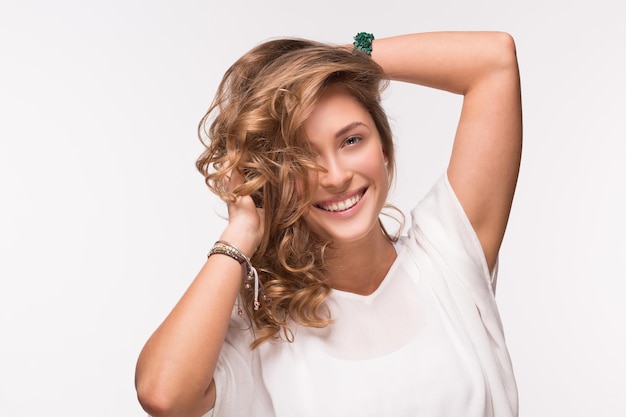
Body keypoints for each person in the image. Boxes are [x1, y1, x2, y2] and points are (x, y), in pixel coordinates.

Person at [135, 31, 522, 417]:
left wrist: (328, 62)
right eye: (302, 156)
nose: (335, 176)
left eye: (351, 140)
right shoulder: (263, 330)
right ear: (274, 176)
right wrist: (241, 232)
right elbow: (163, 395)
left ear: (384, 147)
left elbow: (493, 60)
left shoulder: (446, 255)